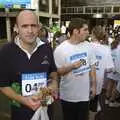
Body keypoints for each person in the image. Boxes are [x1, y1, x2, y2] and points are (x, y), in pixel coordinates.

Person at [0, 10, 58, 120]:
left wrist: (53, 86)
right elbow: (3, 85)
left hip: (46, 110)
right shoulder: (6, 51)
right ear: (16, 28)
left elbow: (53, 75)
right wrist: (23, 100)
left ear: (38, 27)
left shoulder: (46, 48)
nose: (30, 30)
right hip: (20, 113)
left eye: (33, 26)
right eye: (25, 26)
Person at [54, 18, 97, 120]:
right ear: (76, 31)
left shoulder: (88, 46)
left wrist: (94, 85)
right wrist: (72, 66)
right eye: (85, 30)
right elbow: (57, 72)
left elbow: (92, 66)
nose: (88, 32)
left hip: (84, 95)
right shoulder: (60, 49)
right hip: (68, 96)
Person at [89, 26, 114, 118]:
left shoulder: (86, 45)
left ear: (93, 35)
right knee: (93, 106)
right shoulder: (106, 49)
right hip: (98, 81)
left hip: (83, 80)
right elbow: (110, 68)